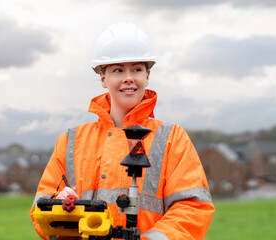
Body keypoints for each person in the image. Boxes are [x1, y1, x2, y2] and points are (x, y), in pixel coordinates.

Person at [30, 22, 215, 240]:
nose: (128, 77)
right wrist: (59, 207)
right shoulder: (71, 140)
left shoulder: (172, 138)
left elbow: (192, 209)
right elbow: (40, 214)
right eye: (118, 70)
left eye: (136, 69)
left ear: (147, 76)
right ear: (103, 78)